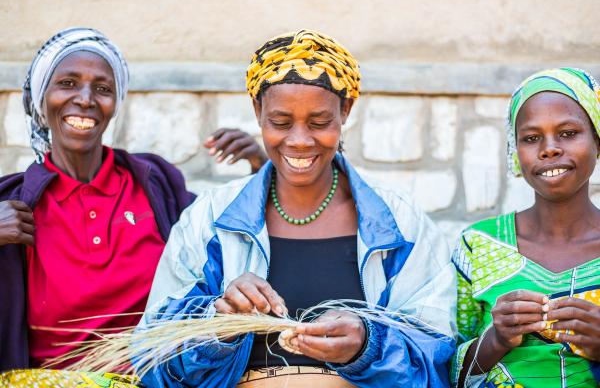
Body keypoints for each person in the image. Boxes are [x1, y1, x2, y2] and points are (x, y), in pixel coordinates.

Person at [139, 29, 456, 388]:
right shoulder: (210, 221)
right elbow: (151, 359)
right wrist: (217, 322)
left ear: (345, 111)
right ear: (258, 111)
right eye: (281, 122)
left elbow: (437, 362)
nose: (300, 140)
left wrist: (368, 346)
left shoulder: (400, 225)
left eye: (319, 122)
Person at [0, 27, 266, 373]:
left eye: (103, 88)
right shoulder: (15, 203)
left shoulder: (154, 185)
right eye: (67, 83)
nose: (85, 98)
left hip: (155, 378)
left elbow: (224, 235)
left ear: (115, 103)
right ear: (40, 96)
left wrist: (261, 168)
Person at [452, 68, 600, 387]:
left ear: (597, 140)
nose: (549, 149)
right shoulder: (478, 245)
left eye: (569, 133)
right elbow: (440, 367)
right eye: (531, 138)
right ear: (516, 152)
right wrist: (496, 339)